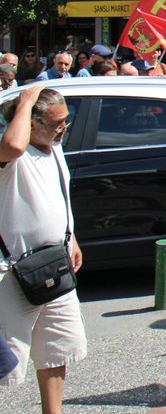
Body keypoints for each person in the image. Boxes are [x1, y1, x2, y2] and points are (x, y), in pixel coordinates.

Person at [0, 86, 86, 412]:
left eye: (66, 120)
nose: (64, 127)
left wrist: (70, 235)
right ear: (31, 123)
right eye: (56, 122)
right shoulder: (11, 156)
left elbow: (58, 195)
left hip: (54, 263)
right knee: (8, 355)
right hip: (12, 270)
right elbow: (12, 145)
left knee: (56, 348)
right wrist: (24, 101)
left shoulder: (54, 148)